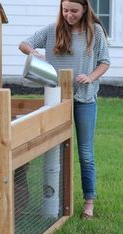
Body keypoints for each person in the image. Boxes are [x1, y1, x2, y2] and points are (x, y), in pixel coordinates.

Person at [19, 0, 110, 219]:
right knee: (55, 150)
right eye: (65, 10)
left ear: (85, 9)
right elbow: (24, 44)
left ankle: (89, 202)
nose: (69, 15)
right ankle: (55, 202)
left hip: (85, 99)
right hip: (56, 100)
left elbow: (104, 62)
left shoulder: (94, 32)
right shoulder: (52, 30)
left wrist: (89, 77)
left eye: (74, 11)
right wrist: (34, 53)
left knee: (85, 154)